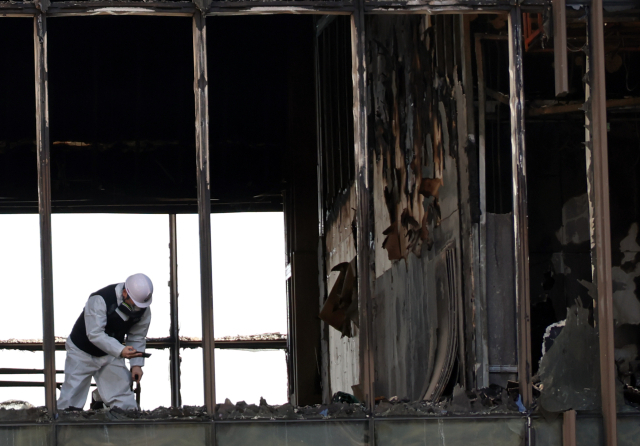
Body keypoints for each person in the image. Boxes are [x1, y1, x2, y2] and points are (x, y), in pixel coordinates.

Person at [57, 273, 153, 411]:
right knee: (71, 397)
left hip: (110, 354)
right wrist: (120, 350)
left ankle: (128, 421)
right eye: (134, 303)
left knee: (122, 396)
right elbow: (95, 334)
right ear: (125, 293)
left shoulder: (143, 310)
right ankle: (65, 421)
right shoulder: (100, 299)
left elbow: (137, 336)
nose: (137, 308)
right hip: (82, 352)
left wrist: (136, 365)